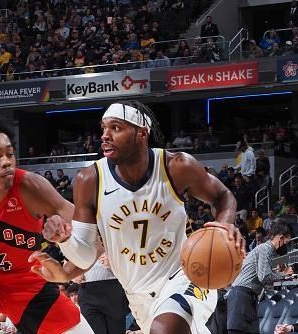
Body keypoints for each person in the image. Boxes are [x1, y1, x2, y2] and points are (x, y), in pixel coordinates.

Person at [30, 100, 244, 334]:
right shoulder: (89, 180)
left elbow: (223, 195)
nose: (105, 135)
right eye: (103, 128)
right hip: (138, 297)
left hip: (185, 276)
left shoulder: (176, 166)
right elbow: (84, 257)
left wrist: (223, 226)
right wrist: (64, 239)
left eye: (116, 128)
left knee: (165, 328)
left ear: (142, 133)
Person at [0, 117, 93, 333]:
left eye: (9, 154)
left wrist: (67, 260)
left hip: (28, 280)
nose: (6, 161)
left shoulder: (31, 186)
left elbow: (90, 233)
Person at [227, 220, 294, 334]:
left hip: (246, 295)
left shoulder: (265, 249)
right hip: (242, 295)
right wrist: (284, 274)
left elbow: (262, 274)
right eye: (287, 242)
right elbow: (264, 277)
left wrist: (278, 273)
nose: (286, 245)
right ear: (281, 238)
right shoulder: (266, 249)